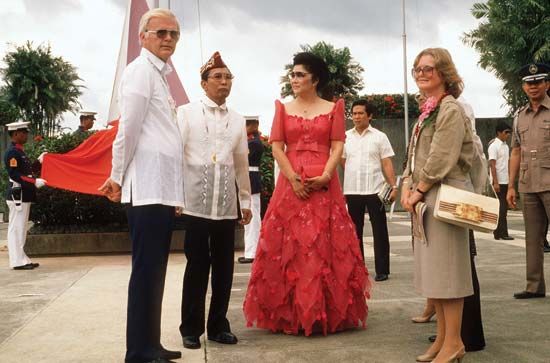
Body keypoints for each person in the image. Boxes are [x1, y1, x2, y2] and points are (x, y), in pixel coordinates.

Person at [243, 52, 370, 336]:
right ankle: (290, 314)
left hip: (325, 183)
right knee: (291, 247)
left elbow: (337, 145)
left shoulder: (334, 108)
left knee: (324, 246)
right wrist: (292, 179)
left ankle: (325, 312)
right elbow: (277, 147)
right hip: (291, 184)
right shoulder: (283, 109)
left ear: (315, 78)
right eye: (292, 74)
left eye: (300, 74)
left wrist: (327, 174)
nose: (294, 79)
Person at [98, 8, 184, 363]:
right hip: (146, 187)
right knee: (147, 269)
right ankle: (138, 350)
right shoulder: (139, 72)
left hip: (161, 188)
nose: (168, 39)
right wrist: (117, 175)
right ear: (143, 36)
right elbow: (128, 129)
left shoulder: (159, 76)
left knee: (157, 270)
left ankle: (152, 343)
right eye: (161, 32)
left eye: (173, 34)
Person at [402, 47, 474, 363]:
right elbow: (415, 155)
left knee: (449, 273)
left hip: (446, 197)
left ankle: (454, 342)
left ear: (443, 72)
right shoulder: (429, 110)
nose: (421, 73)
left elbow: (441, 157)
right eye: (417, 68)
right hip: (428, 196)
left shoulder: (450, 109)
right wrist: (406, 185)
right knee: (436, 275)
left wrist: (417, 191)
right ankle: (443, 339)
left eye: (428, 68)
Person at [177, 51, 252, 350]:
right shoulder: (186, 113)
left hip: (224, 205)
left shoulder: (237, 120)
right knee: (197, 265)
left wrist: (244, 200)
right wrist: (174, 196)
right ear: (204, 83)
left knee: (224, 267)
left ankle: (219, 325)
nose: (224, 82)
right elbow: (175, 156)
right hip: (194, 202)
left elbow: (241, 163)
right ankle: (191, 328)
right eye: (217, 77)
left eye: (228, 77)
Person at [342, 99, 397, 282]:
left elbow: (387, 162)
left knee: (380, 230)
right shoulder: (345, 137)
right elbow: (342, 161)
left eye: (360, 113)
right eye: (354, 113)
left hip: (375, 190)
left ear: (370, 115)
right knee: (354, 232)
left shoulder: (380, 137)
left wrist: (394, 186)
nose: (356, 117)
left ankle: (382, 270)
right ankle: (358, 269)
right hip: (352, 191)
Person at [507, 62, 550, 300]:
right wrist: (511, 186)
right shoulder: (519, 117)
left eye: (538, 82)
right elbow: (515, 151)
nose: (533, 87)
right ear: (523, 87)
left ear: (547, 84)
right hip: (528, 185)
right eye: (529, 83)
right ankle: (534, 286)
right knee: (532, 238)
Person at [4, 121, 47, 270]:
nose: (26, 135)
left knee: (21, 228)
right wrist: (34, 182)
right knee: (16, 228)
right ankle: (16, 261)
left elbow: (26, 172)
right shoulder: (12, 153)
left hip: (23, 195)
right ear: (15, 134)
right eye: (23, 132)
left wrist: (39, 162)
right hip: (18, 195)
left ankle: (22, 259)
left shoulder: (19, 151)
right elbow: (15, 175)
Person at [239, 116, 265, 264]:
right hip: (247, 177)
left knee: (253, 217)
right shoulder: (249, 141)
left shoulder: (254, 143)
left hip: (251, 179)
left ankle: (253, 252)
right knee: (248, 215)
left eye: (248, 124)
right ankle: (250, 250)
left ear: (254, 125)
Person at [488, 121, 514, 240]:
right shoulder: (494, 146)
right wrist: (495, 182)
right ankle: (501, 233)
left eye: (509, 132)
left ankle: (500, 233)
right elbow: (493, 165)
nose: (508, 135)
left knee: (504, 208)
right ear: (499, 133)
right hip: (498, 181)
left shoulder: (506, 146)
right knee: (501, 208)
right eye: (506, 132)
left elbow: (508, 163)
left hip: (506, 180)